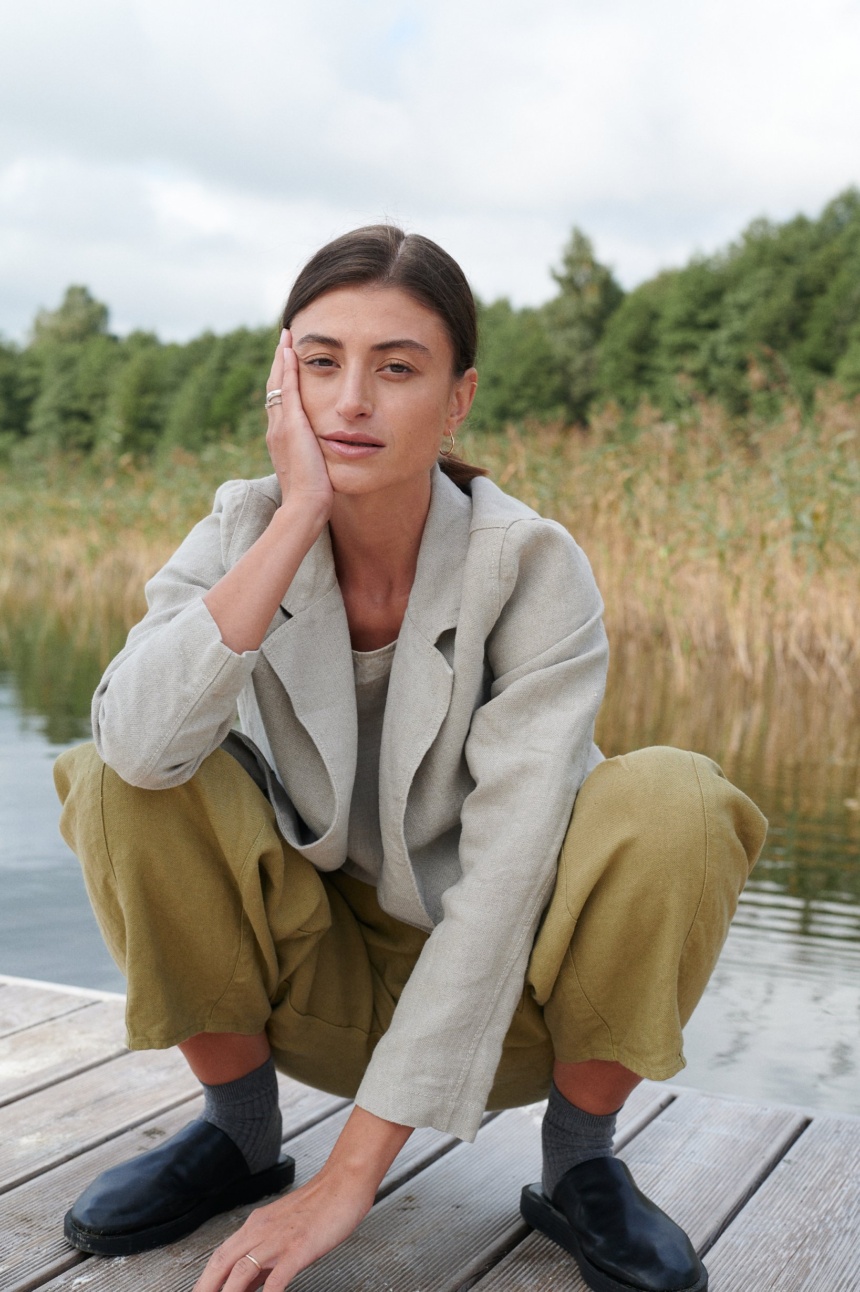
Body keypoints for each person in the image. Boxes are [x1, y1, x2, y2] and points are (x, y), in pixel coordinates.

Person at [54, 224, 766, 1292]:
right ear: (279, 379)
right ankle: (238, 1133)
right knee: (123, 772)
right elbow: (138, 747)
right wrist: (295, 516)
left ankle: (580, 1166)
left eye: (396, 368)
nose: (350, 401)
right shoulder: (241, 525)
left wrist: (348, 1179)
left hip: (512, 1001)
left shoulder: (530, 564)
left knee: (677, 796)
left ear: (457, 398)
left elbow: (507, 880)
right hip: (310, 981)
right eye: (321, 361)